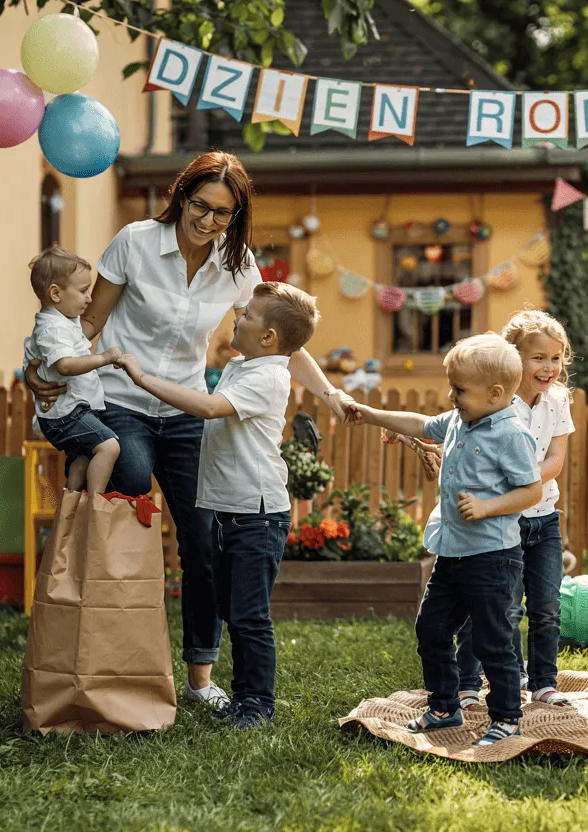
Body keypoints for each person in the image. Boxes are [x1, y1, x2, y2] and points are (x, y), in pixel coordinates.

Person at [23, 152, 353, 710]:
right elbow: (88, 322)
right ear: (182, 196)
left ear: (236, 216)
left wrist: (331, 393)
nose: (207, 221)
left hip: (186, 405)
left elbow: (281, 335)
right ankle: (108, 649)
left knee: (201, 544)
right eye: (200, 205)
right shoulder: (135, 241)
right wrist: (39, 368)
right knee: (125, 477)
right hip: (122, 400)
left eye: (223, 213)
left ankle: (200, 679)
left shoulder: (237, 263)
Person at [114, 281, 320, 730]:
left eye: (247, 315)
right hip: (231, 511)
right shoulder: (242, 367)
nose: (237, 317)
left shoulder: (268, 376)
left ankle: (256, 705)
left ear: (268, 338)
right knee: (233, 608)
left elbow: (208, 410)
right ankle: (245, 698)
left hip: (256, 513)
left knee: (249, 616)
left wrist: (144, 379)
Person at [347, 333, 541, 747]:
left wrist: (488, 507)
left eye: (459, 389)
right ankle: (443, 707)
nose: (451, 395)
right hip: (451, 553)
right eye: (452, 386)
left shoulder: (510, 434)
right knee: (431, 628)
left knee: (493, 640)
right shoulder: (459, 420)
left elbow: (531, 491)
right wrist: (370, 414)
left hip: (491, 557)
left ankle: (506, 717)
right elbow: (420, 424)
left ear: (494, 393)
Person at [447, 310, 575, 709]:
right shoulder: (494, 401)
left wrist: (526, 483)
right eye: (538, 357)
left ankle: (542, 682)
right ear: (513, 357)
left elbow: (556, 458)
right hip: (502, 522)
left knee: (547, 606)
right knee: (495, 606)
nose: (549, 367)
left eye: (556, 358)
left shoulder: (557, 400)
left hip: (544, 519)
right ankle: (468, 682)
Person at [23, 245, 122, 496]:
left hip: (72, 410)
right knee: (109, 447)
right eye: (83, 291)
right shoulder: (52, 328)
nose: (89, 298)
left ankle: (74, 500)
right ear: (55, 293)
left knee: (83, 458)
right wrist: (104, 358)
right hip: (65, 415)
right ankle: (94, 503)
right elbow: (65, 365)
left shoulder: (64, 320)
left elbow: (32, 359)